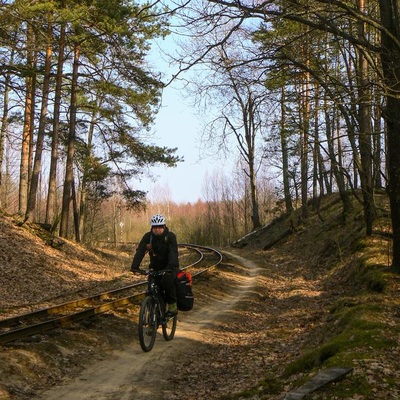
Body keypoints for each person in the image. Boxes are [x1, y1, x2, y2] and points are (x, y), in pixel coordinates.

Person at [130, 214, 179, 315]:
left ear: (164, 227)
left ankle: (172, 305)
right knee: (151, 288)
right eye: (155, 227)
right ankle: (156, 314)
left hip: (169, 267)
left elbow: (173, 252)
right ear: (152, 227)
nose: (157, 230)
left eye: (160, 227)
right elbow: (140, 251)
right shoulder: (148, 237)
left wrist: (171, 266)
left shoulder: (170, 237)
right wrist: (135, 266)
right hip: (155, 268)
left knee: (167, 282)